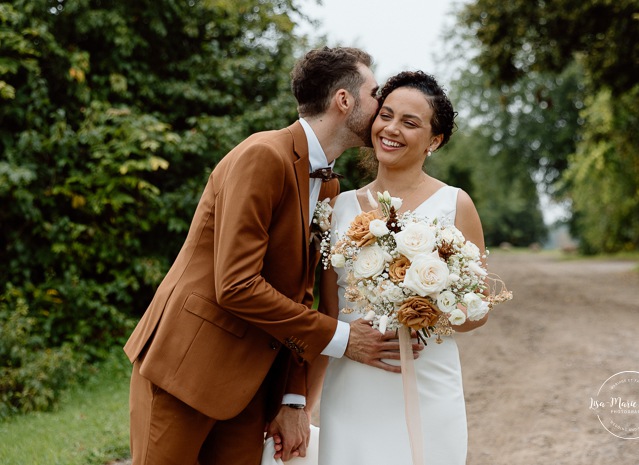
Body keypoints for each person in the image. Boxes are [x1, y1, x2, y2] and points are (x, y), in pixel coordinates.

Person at [123, 47, 420, 465]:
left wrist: (294, 399)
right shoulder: (263, 155)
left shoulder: (329, 187)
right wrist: (344, 339)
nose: (381, 108)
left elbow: (298, 295)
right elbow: (236, 286)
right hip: (185, 368)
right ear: (344, 100)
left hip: (250, 388)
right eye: (375, 96)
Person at [314, 70, 489, 465]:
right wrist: (299, 403)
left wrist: (431, 305)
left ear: (435, 140)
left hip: (430, 382)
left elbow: (478, 312)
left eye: (410, 122)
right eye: (386, 115)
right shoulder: (338, 206)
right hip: (353, 385)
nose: (391, 129)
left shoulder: (455, 204)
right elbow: (327, 314)